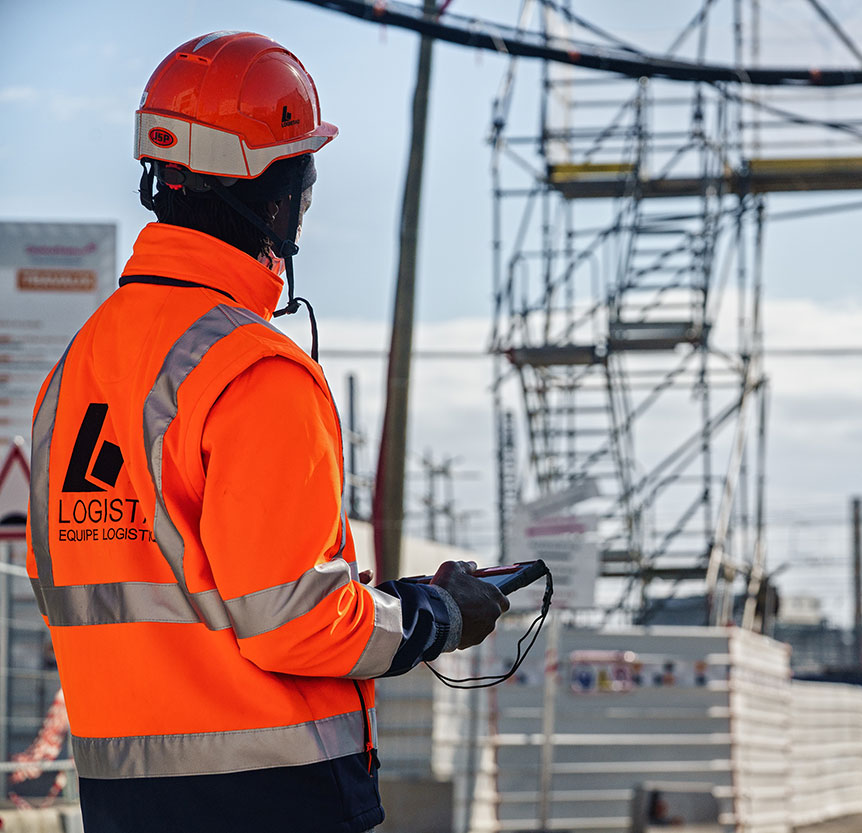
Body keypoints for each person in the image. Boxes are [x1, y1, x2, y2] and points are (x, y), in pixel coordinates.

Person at [24, 31, 508, 833]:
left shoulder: (74, 371)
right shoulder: (252, 371)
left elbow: (83, 592)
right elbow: (295, 619)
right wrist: (435, 612)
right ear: (274, 196)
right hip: (271, 800)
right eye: (304, 184)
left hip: (119, 801)